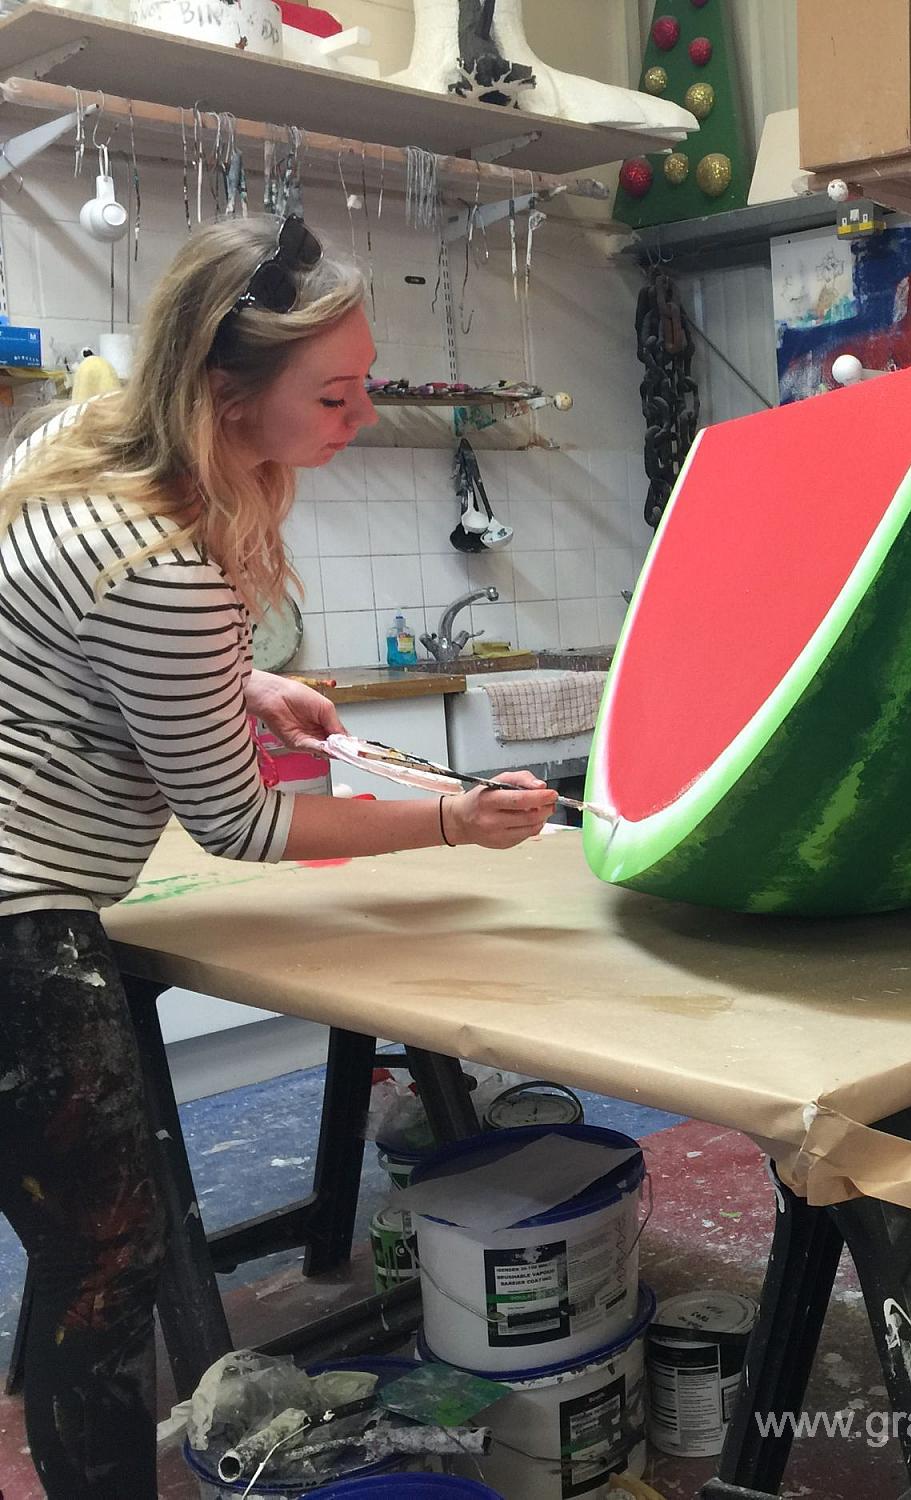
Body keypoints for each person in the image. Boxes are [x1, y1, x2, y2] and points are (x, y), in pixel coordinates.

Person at [0, 214, 556, 1497]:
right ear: (222, 393)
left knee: (72, 1230)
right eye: (337, 393)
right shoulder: (166, 571)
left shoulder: (68, 454)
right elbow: (243, 824)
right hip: (19, 918)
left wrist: (238, 682)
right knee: (107, 1263)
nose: (358, 415)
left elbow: (61, 634)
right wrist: (448, 819)